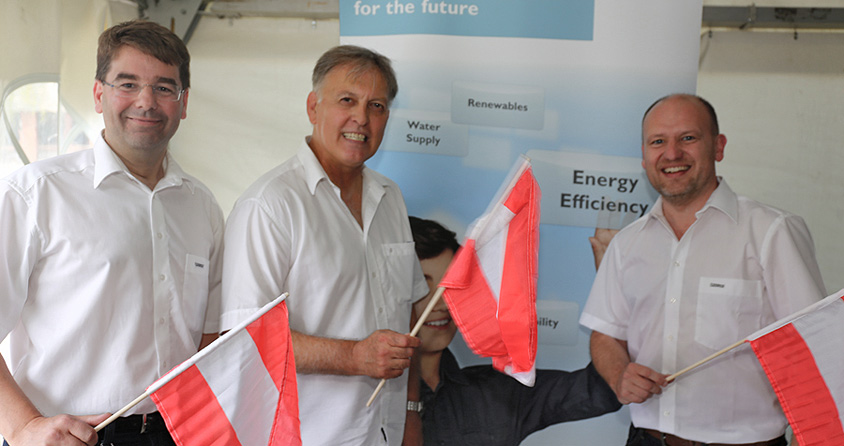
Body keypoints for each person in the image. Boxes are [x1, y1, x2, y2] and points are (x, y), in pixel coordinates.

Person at [0, 20, 223, 446]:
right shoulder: (35, 194)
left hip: (175, 435)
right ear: (98, 94)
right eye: (128, 83)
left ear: (184, 102)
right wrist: (22, 427)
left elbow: (208, 339)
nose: (146, 101)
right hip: (65, 437)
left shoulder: (202, 207)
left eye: (164, 87)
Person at [580, 94, 826, 446]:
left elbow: (812, 347)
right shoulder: (626, 243)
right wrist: (619, 375)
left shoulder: (771, 232)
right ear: (644, 156)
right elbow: (606, 334)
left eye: (688, 138)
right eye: (658, 142)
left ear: (718, 146)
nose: (672, 153)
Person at [221, 45, 428, 445]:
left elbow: (408, 320)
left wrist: (411, 416)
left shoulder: (391, 198)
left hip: (387, 434)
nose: (361, 118)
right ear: (313, 107)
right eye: (347, 100)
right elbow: (248, 340)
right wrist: (353, 357)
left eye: (376, 106)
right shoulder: (269, 205)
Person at [409, 216, 622, 446]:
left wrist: (615, 283)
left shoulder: (497, 390)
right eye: (421, 287)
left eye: (450, 285)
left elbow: (604, 388)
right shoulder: (378, 396)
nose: (441, 303)